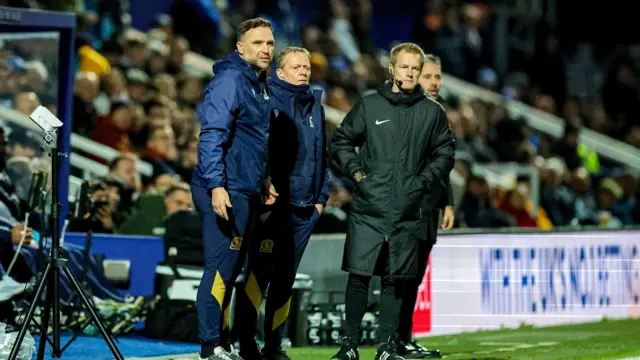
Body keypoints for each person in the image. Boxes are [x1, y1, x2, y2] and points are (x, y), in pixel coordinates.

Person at [329, 43, 455, 360]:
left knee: (394, 280)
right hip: (368, 208)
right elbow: (341, 142)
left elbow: (445, 154)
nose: (410, 73)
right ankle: (349, 346)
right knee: (358, 276)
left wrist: (422, 183)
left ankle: (386, 347)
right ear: (392, 69)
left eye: (415, 68)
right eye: (404, 67)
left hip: (408, 210)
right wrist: (358, 174)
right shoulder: (370, 106)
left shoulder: (432, 112)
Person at [233, 46, 330, 360]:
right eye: (297, 66)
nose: (304, 71)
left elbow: (322, 155)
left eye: (306, 67)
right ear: (280, 71)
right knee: (259, 275)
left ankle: (274, 345)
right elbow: (255, 147)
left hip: (306, 209)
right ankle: (246, 342)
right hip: (275, 205)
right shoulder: (267, 100)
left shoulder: (315, 104)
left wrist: (321, 199)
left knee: (286, 279)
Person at [190, 18, 276, 360]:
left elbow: (254, 139)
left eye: (270, 43)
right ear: (241, 47)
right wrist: (216, 186)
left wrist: (264, 178)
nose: (266, 50)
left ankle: (222, 343)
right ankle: (210, 347)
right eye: (258, 43)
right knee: (220, 269)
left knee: (233, 268)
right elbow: (212, 134)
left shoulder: (258, 83)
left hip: (246, 187)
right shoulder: (230, 81)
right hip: (225, 187)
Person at [393, 54, 454, 359]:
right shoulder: (405, 112)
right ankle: (393, 340)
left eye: (437, 77)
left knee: (414, 278)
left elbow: (443, 163)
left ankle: (405, 337)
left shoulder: (436, 113)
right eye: (428, 76)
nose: (434, 82)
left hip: (429, 209)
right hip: (409, 209)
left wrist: (449, 202)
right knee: (402, 277)